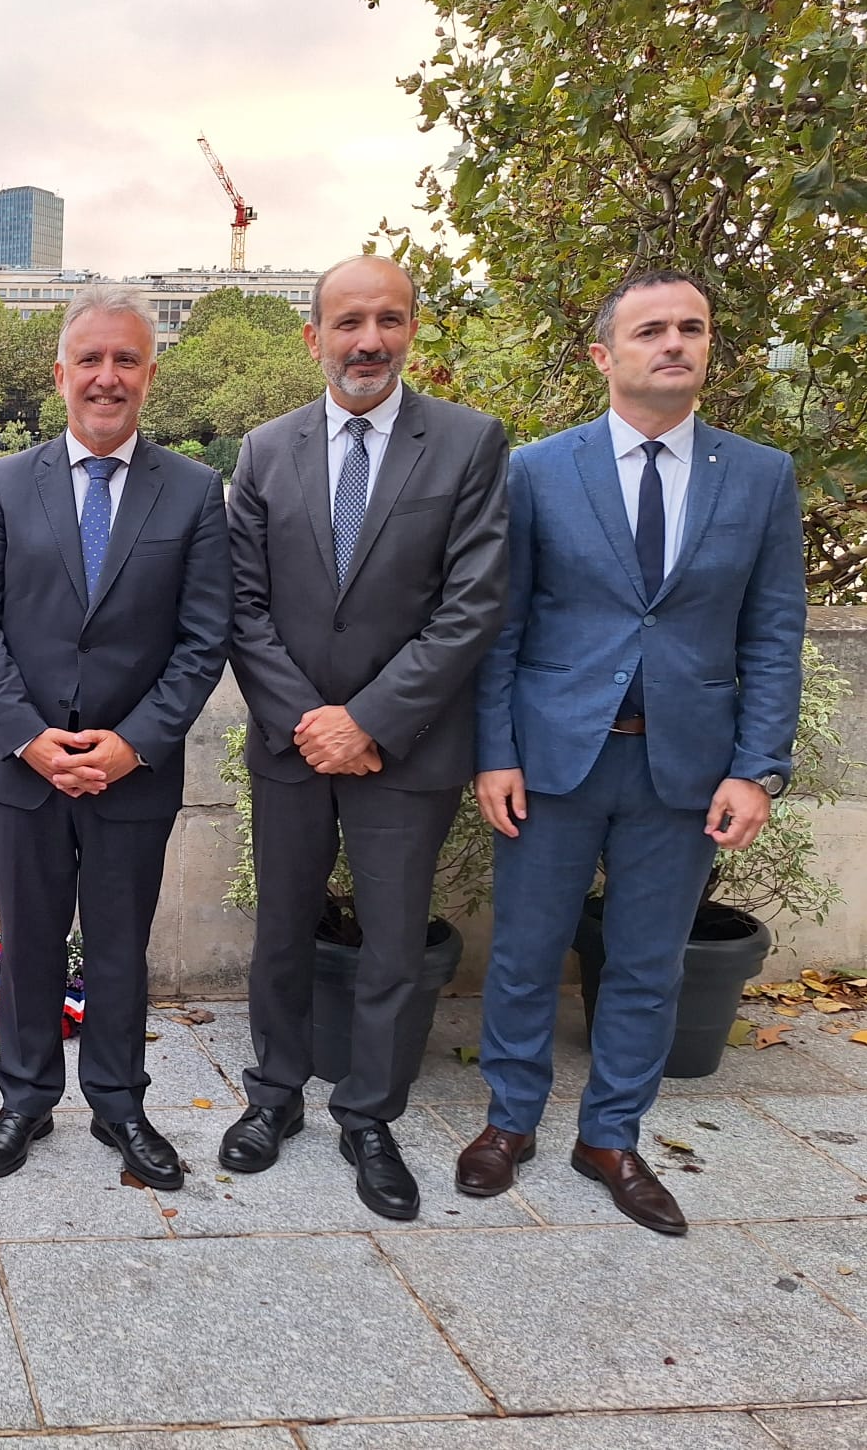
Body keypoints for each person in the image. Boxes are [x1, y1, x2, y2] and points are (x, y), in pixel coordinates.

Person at [461, 270, 805, 1235]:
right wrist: (495, 751)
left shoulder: (761, 476)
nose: (674, 344)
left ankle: (611, 1136)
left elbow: (774, 632)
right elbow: (502, 624)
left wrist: (757, 764)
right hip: (556, 759)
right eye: (651, 329)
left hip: (686, 770)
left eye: (692, 328)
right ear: (605, 354)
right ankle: (510, 1123)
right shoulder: (536, 470)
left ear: (708, 350)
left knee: (648, 964)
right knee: (526, 955)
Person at [222, 255, 509, 1221]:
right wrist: (313, 724)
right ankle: (274, 1097)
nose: (368, 341)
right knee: (281, 933)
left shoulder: (470, 445)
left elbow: (472, 607)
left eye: (388, 320)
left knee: (391, 943)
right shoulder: (265, 451)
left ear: (412, 331)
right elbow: (243, 607)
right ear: (314, 337)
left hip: (405, 749)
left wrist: (372, 721)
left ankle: (368, 1116)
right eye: (348, 323)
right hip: (293, 743)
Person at [0, 285, 231, 1190]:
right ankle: (25, 1100)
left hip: (132, 774)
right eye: (91, 360)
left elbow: (202, 641)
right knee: (28, 942)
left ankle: (119, 1105)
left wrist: (135, 742)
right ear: (61, 373)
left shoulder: (193, 492)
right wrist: (32, 738)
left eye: (126, 361)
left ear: (150, 374)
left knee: (120, 946)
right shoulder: (4, 483)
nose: (106, 378)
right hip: (22, 770)